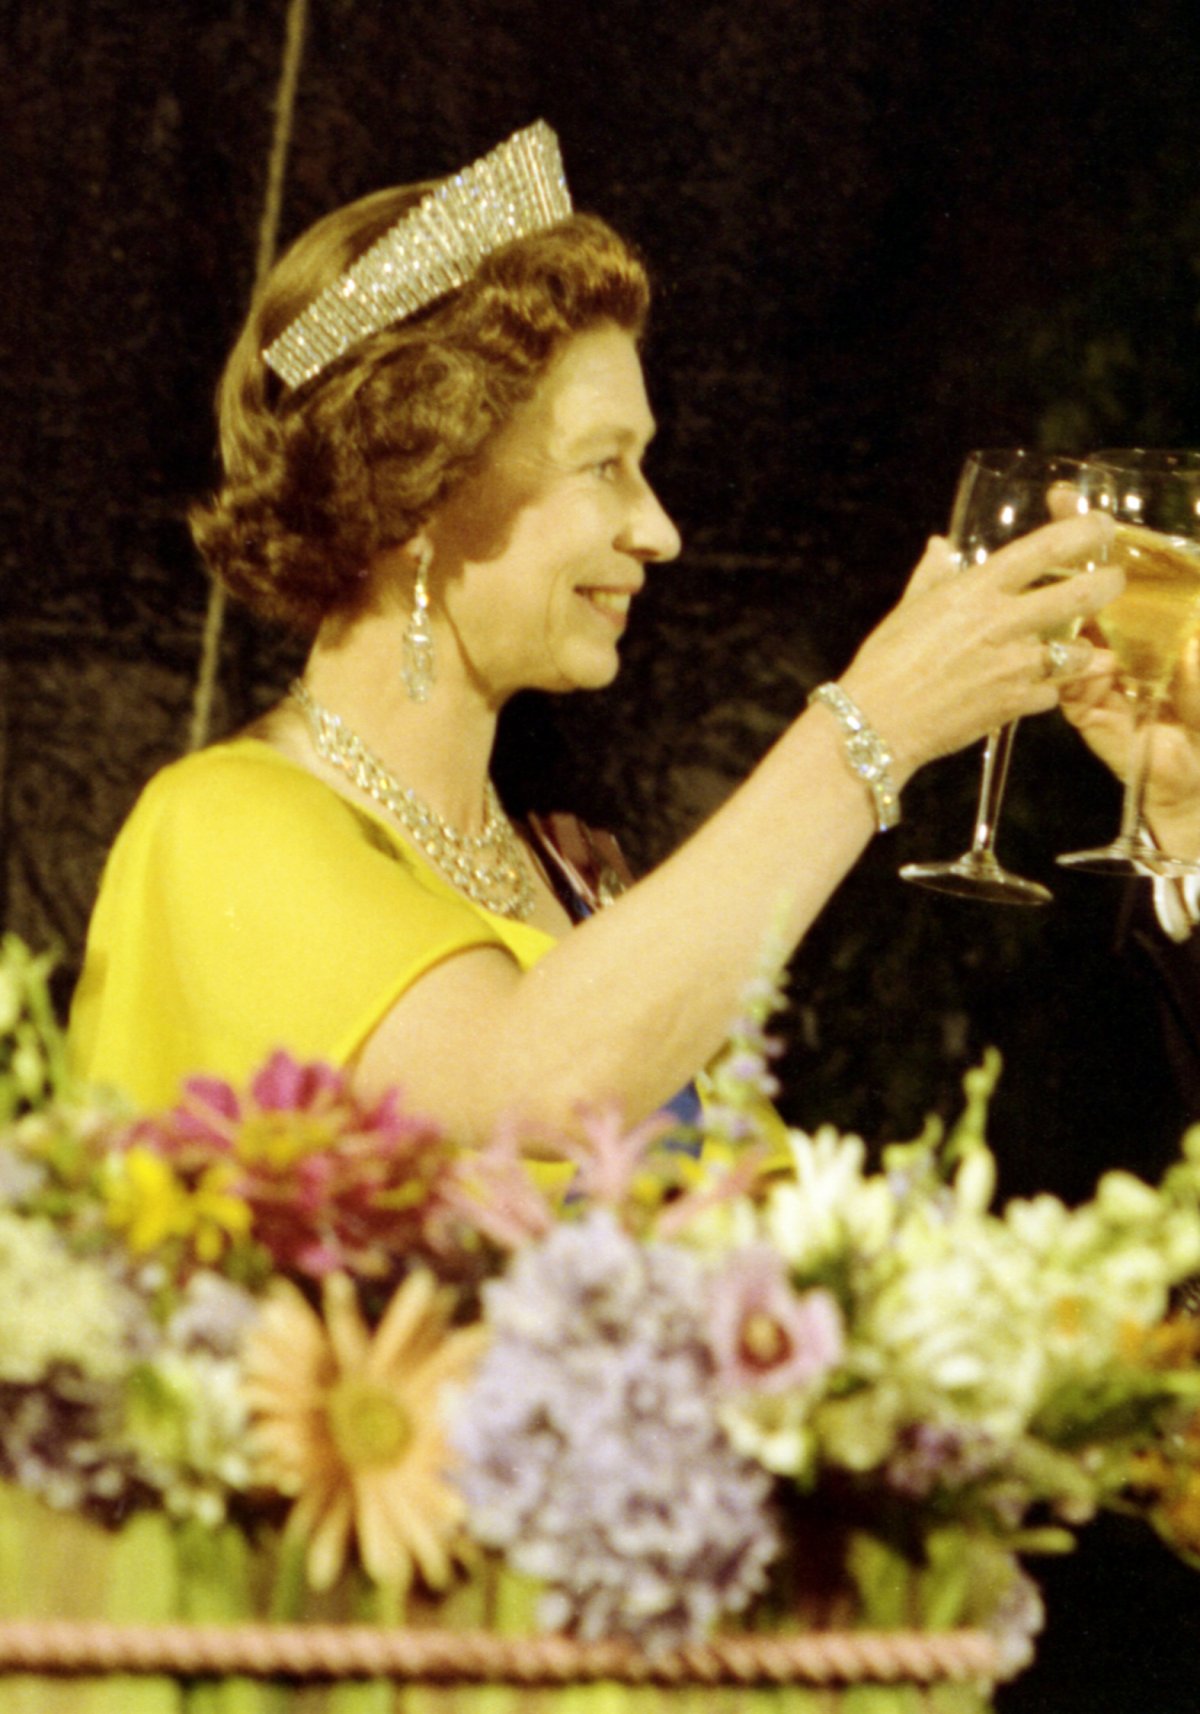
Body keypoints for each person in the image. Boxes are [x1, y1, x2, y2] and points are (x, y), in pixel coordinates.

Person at [68, 121, 1121, 1150]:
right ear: (417, 493)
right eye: (603, 463)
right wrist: (872, 726)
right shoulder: (219, 825)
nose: (658, 530)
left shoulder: (567, 874)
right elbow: (542, 1085)